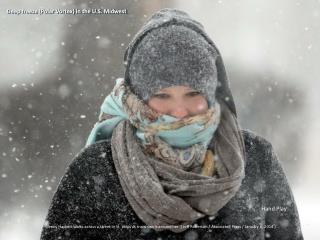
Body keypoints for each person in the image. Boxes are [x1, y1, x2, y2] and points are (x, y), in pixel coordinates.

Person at [40, 8, 304, 240]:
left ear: (213, 95)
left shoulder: (256, 159)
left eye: (193, 94)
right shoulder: (94, 170)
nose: (179, 111)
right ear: (138, 99)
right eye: (162, 96)